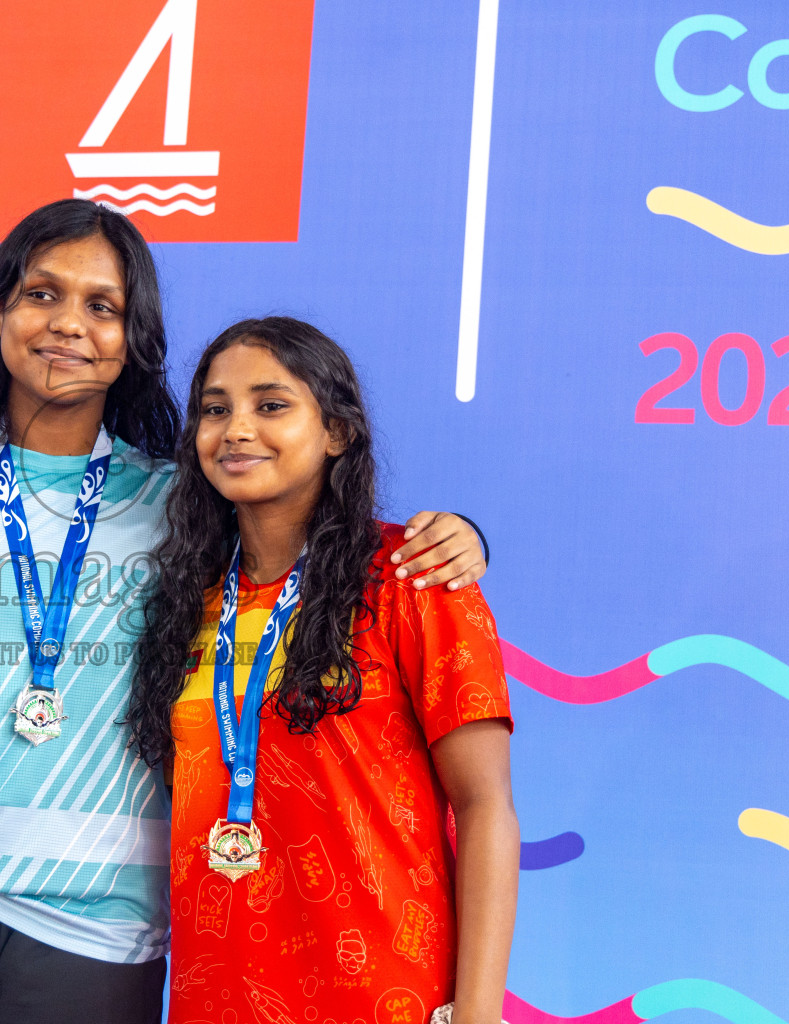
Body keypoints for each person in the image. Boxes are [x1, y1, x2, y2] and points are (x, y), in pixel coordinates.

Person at [0, 202, 490, 1024]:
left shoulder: (182, 503)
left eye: (103, 307)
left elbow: (302, 530)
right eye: (42, 294)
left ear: (135, 339)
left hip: (99, 918)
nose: (68, 326)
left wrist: (465, 536)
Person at [127, 318, 518, 1024]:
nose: (237, 429)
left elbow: (486, 806)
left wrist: (481, 1011)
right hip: (214, 996)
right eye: (215, 410)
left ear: (337, 431)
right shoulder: (187, 599)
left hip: (381, 995)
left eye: (270, 405)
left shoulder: (413, 575)